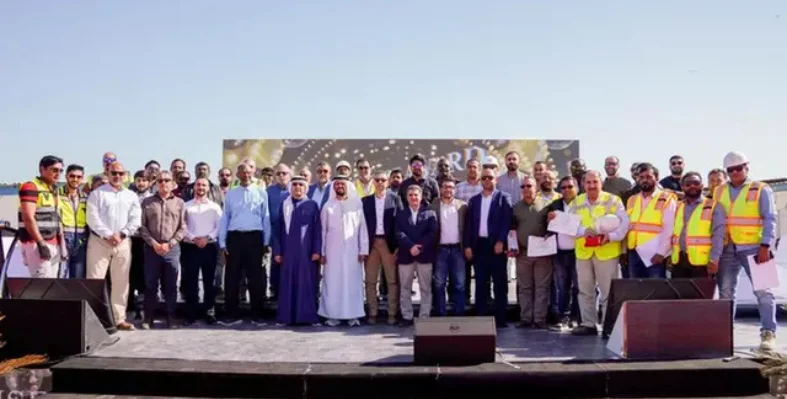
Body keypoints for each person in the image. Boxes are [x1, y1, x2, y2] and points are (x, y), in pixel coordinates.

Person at [714, 151, 778, 350]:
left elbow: (770, 218)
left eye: (738, 168)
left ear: (747, 167)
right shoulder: (719, 190)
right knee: (725, 293)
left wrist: (766, 245)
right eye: (730, 170)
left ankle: (768, 333)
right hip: (727, 248)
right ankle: (724, 334)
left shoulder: (761, 189)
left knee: (764, 292)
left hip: (757, 248)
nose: (734, 172)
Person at [562, 170, 629, 337]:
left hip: (606, 252)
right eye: (588, 183)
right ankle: (588, 324)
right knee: (585, 291)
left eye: (595, 182)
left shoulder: (613, 200)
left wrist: (612, 236)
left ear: (601, 183)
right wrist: (585, 231)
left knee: (608, 292)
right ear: (583, 185)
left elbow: (625, 223)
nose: (592, 186)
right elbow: (568, 226)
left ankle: (609, 326)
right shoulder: (575, 203)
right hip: (584, 253)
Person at [86, 161, 141, 331]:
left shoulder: (131, 195)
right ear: (108, 174)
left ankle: (119, 319)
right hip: (100, 242)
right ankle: (95, 321)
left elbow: (135, 219)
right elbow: (92, 218)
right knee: (95, 281)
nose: (117, 176)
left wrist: (122, 234)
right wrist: (108, 234)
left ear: (125, 176)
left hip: (123, 242)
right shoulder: (97, 194)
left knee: (121, 282)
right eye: (114, 173)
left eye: (120, 173)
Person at [218, 162, 271, 325]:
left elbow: (266, 217)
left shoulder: (261, 193)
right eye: (243, 172)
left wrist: (266, 242)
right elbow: (225, 217)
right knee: (232, 277)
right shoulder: (231, 194)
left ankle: (257, 314)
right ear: (238, 174)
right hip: (235, 238)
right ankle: (231, 314)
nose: (246, 175)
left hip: (255, 238)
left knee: (256, 278)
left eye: (249, 172)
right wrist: (222, 242)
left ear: (253, 173)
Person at [463, 166, 513, 328]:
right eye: (483, 178)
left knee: (500, 283)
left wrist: (501, 241)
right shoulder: (474, 200)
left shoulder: (503, 198)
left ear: (495, 179)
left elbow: (506, 222)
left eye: (490, 178)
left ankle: (501, 319)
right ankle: (481, 317)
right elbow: (469, 225)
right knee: (481, 282)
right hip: (480, 246)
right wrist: (468, 245)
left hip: (497, 246)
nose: (486, 180)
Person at [139, 170, 186, 329]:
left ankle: (171, 317)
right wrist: (153, 243)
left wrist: (170, 243)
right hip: (152, 248)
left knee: (171, 285)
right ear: (156, 183)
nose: (163, 183)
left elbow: (182, 228)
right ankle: (148, 318)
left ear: (173, 183)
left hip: (171, 249)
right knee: (151, 285)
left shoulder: (179, 203)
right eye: (160, 181)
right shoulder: (147, 202)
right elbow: (142, 227)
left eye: (167, 180)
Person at [319, 175, 369, 327]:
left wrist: (363, 249)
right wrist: (322, 252)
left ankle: (353, 315)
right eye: (337, 184)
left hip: (352, 252)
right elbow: (322, 231)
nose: (340, 186)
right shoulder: (328, 206)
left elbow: (362, 229)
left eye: (343, 183)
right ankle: (332, 315)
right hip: (332, 252)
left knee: (352, 283)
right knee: (333, 283)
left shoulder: (356, 205)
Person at [273, 176, 322, 326]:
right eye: (294, 185)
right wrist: (277, 252)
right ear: (290, 187)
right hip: (288, 253)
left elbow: (317, 230)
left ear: (305, 188)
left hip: (306, 253)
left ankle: (308, 317)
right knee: (287, 284)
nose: (298, 187)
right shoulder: (284, 205)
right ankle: (286, 318)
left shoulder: (312, 205)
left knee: (307, 284)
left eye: (301, 185)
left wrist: (316, 250)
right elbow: (277, 231)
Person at [361, 171, 402, 325]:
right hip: (371, 244)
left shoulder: (395, 199)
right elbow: (361, 226)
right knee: (370, 281)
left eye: (383, 180)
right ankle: (372, 313)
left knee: (392, 281)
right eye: (377, 180)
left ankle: (392, 313)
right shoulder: (365, 201)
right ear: (373, 182)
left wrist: (397, 246)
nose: (380, 183)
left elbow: (399, 224)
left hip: (388, 244)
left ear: (387, 182)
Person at [511, 176, 552, 328]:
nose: (526, 189)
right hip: (523, 253)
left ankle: (540, 319)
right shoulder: (515, 207)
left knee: (542, 287)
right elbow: (511, 229)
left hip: (542, 253)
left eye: (529, 186)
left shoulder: (547, 205)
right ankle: (526, 318)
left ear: (536, 188)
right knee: (524, 287)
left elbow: (553, 226)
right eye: (523, 186)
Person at [182, 177, 223, 325]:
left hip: (209, 247)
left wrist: (207, 238)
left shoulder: (215, 207)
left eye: (204, 185)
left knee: (209, 281)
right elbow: (182, 225)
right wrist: (193, 238)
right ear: (194, 187)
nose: (201, 187)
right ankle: (191, 312)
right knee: (190, 281)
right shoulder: (185, 206)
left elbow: (219, 226)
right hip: (190, 247)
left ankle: (209, 311)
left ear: (208, 188)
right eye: (198, 184)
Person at [625, 163, 677, 279]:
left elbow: (669, 228)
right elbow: (627, 225)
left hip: (655, 254)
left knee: (655, 291)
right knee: (636, 290)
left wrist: (661, 253)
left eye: (648, 177)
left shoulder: (666, 198)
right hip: (635, 253)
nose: (645, 180)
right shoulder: (632, 199)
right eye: (641, 177)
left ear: (656, 178)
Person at [396, 185, 438, 326]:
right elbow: (398, 233)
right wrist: (410, 246)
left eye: (416, 195)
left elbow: (432, 233)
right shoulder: (400, 214)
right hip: (406, 256)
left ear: (421, 197)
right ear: (407, 198)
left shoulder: (430, 213)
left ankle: (424, 316)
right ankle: (407, 316)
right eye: (411, 195)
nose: (414, 197)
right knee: (405, 288)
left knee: (425, 288)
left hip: (424, 255)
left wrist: (419, 247)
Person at [18, 155, 66, 278]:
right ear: (42, 169)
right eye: (54, 170)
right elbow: (28, 217)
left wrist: (61, 245)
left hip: (53, 243)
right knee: (42, 288)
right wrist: (41, 243)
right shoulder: (31, 187)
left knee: (51, 286)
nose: (58, 173)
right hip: (37, 244)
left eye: (61, 170)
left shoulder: (53, 189)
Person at [671, 172, 726, 278]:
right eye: (688, 184)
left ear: (702, 185)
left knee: (701, 294)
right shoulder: (678, 207)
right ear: (682, 187)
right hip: (679, 261)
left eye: (696, 183)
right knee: (678, 294)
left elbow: (718, 235)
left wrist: (714, 258)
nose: (692, 186)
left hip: (702, 262)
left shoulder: (714, 206)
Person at [429, 178, 467, 317]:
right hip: (440, 250)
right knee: (439, 283)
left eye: (451, 187)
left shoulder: (462, 206)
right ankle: (440, 313)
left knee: (460, 284)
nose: (448, 190)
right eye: (445, 187)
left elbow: (467, 229)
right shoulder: (433, 206)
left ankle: (459, 313)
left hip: (458, 249)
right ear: (440, 188)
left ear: (454, 189)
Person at [59, 164, 88, 278]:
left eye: (79, 177)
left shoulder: (85, 197)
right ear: (66, 176)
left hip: (80, 242)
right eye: (72, 176)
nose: (75, 179)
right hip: (62, 240)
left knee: (77, 279)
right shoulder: (57, 195)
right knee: (60, 278)